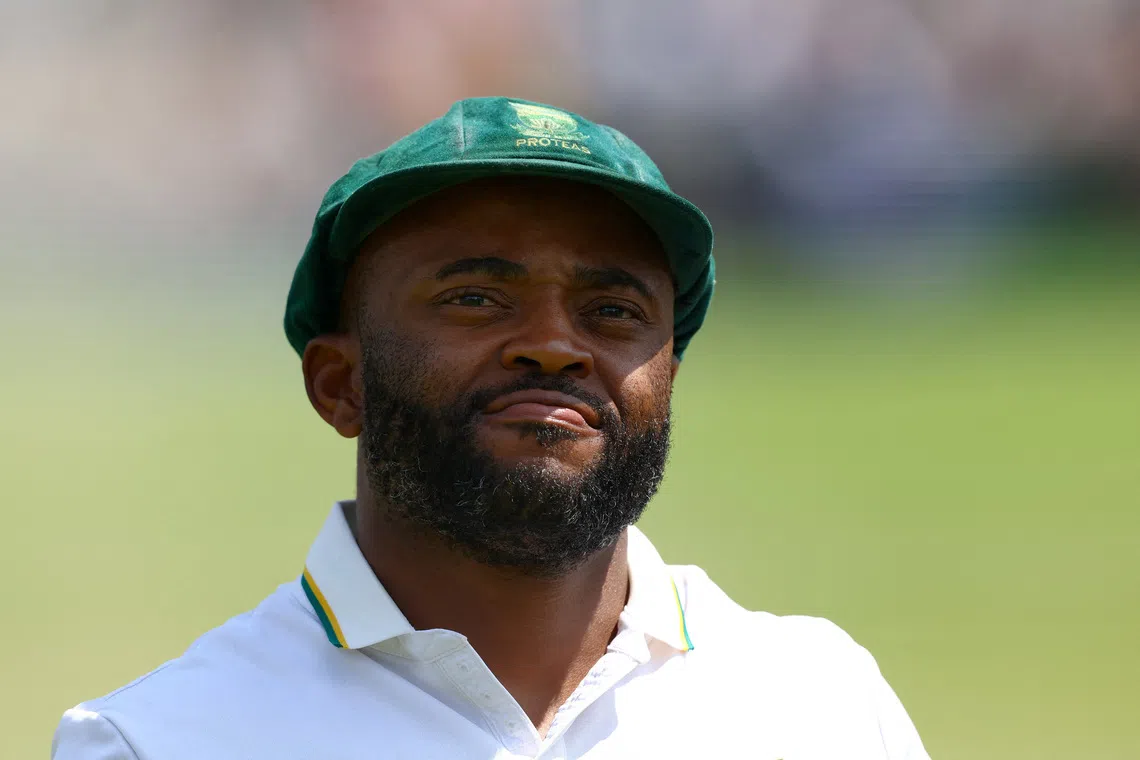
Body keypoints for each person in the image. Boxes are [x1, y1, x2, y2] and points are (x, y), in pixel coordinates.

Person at [52, 97, 929, 759]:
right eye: (475, 297)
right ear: (338, 383)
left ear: (668, 377)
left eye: (613, 308)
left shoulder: (821, 703)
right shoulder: (157, 741)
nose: (553, 345)